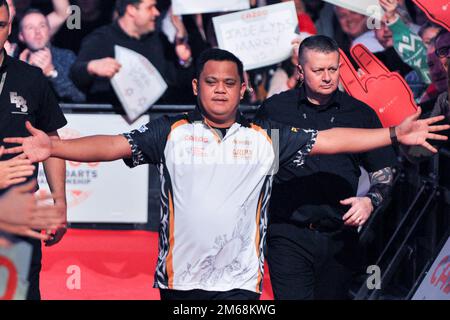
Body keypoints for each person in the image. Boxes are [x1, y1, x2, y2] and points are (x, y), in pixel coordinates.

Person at [4, 48, 448, 300]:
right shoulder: (170, 132)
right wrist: (54, 146)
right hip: (178, 283)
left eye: (229, 82)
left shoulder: (263, 137)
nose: (220, 89)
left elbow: (332, 141)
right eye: (211, 81)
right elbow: (112, 144)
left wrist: (392, 132)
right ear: (197, 86)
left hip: (240, 287)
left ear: (241, 88)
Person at [255, 35, 399, 300]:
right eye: (318, 70)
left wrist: (370, 201)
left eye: (333, 69)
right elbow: (261, 171)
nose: (327, 77)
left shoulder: (359, 114)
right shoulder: (275, 110)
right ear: (300, 70)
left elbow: (385, 170)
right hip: (287, 234)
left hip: (339, 236)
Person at [0, 0, 67, 300]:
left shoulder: (31, 78)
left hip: (20, 221)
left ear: (9, 27)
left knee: (18, 295)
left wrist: (60, 203)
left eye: (0, 25)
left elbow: (50, 141)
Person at [70, 0, 195, 112]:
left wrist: (184, 61)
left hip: (154, 123)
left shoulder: (159, 40)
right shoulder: (101, 39)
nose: (156, 13)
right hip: (109, 120)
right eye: (150, 7)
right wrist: (91, 67)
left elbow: (179, 85)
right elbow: (75, 75)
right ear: (132, 10)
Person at [18, 9, 85, 102]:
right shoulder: (14, 59)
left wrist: (51, 72)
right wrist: (22, 72)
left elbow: (79, 97)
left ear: (49, 31)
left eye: (42, 26)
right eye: (30, 27)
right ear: (21, 36)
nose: (37, 31)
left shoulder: (66, 57)